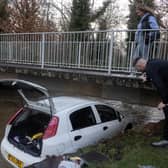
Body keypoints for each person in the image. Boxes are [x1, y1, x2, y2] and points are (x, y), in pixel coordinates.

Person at [133, 57, 168, 147]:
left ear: (140, 65)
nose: (140, 72)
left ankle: (166, 141)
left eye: (138, 69)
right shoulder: (152, 62)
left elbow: (160, 86)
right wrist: (147, 79)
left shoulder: (150, 68)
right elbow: (156, 73)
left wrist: (164, 102)